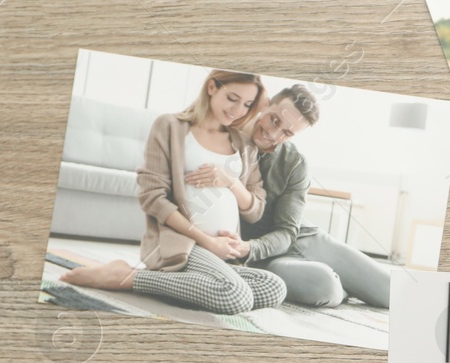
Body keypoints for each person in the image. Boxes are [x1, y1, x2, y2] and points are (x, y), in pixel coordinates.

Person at [60, 70, 288, 316]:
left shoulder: (244, 146)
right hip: (184, 244)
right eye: (232, 98)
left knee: (274, 287)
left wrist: (231, 181)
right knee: (235, 297)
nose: (237, 110)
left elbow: (255, 211)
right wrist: (209, 242)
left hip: (225, 252)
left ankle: (192, 286)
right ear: (212, 87)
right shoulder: (171, 127)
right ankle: (126, 277)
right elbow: (153, 198)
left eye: (246, 104)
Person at [237, 84, 395, 310]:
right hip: (264, 260)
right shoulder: (224, 140)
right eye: (274, 120)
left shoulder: (295, 162)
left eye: (287, 132)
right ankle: (342, 287)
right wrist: (248, 250)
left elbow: (287, 231)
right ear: (265, 105)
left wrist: (250, 247)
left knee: (393, 292)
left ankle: (343, 280)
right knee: (326, 287)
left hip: (302, 238)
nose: (274, 133)